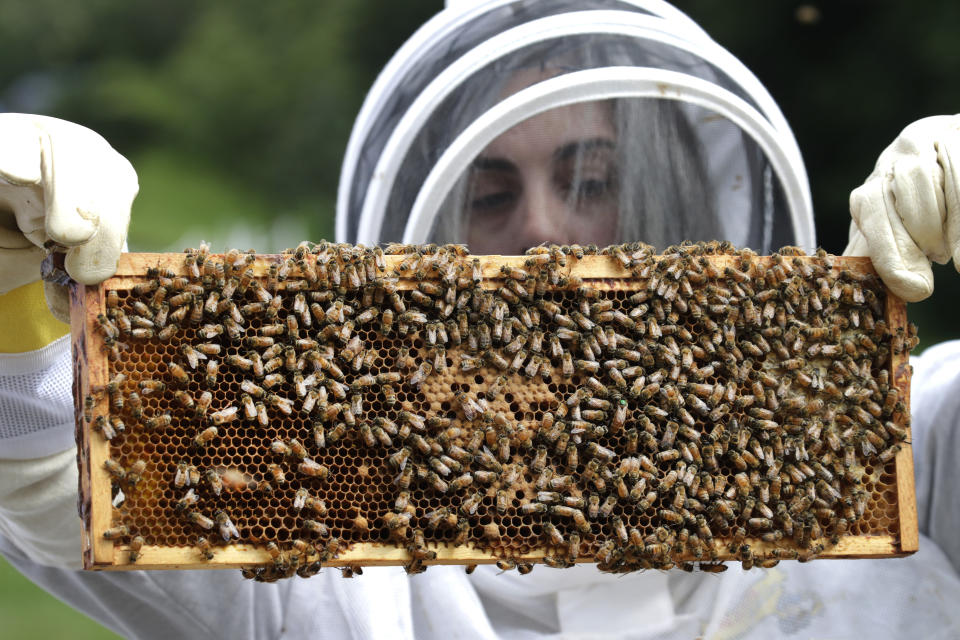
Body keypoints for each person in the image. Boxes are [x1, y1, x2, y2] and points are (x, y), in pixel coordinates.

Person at [1, 1, 959, 638]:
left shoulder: (903, 445)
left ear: (677, 203)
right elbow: (59, 462)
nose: (541, 229)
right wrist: (9, 288)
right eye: (489, 194)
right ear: (423, 237)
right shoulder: (334, 543)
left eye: (590, 179)